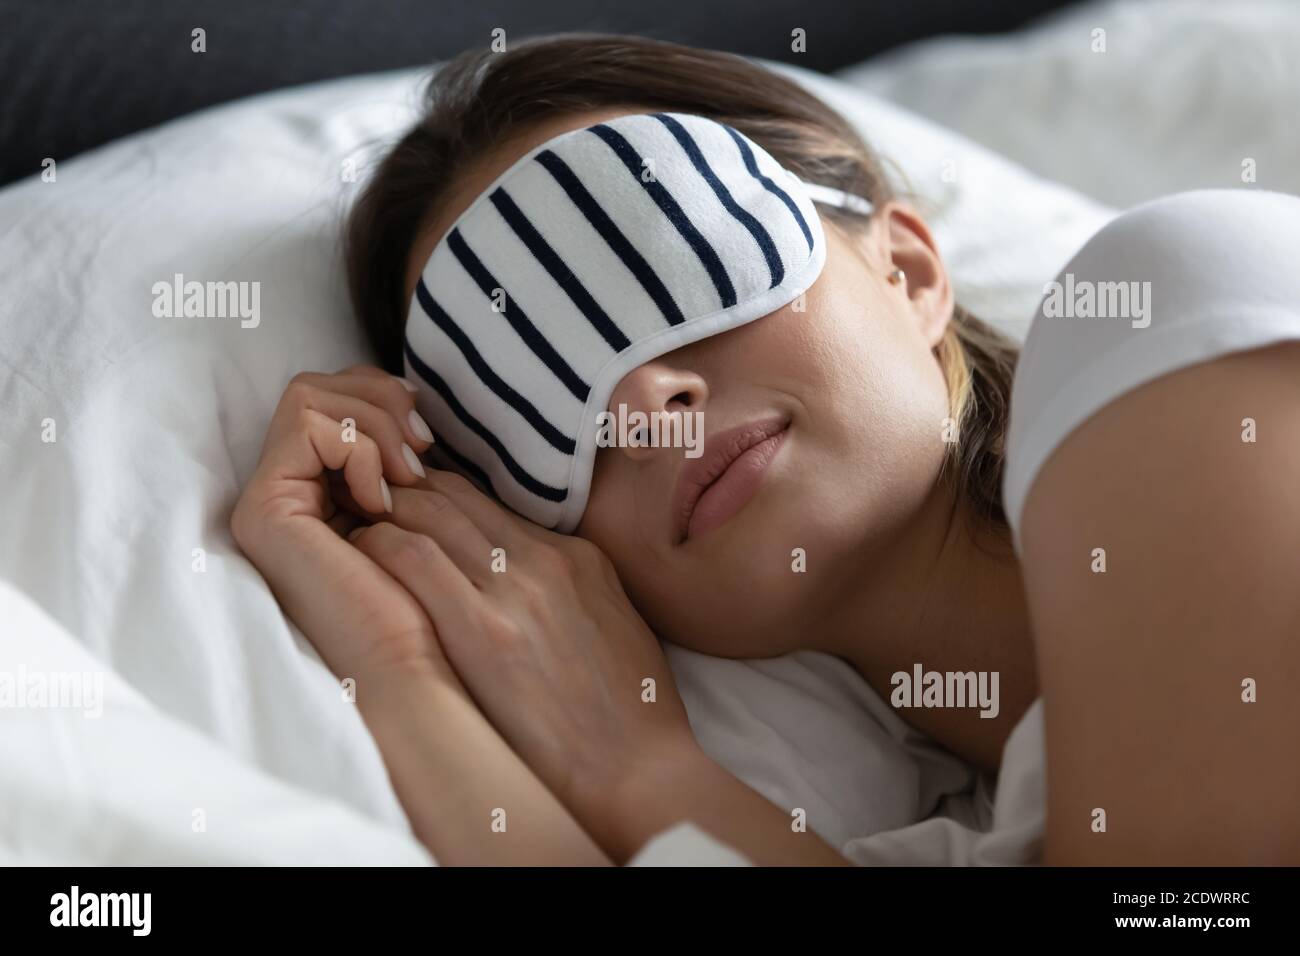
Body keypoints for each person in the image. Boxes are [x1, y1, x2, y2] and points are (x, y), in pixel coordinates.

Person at [230, 34, 1300, 865]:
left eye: (674, 264)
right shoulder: (974, 828)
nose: (645, 400)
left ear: (909, 270)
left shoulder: (1173, 310)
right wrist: (399, 665)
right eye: (532, 402)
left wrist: (643, 774)